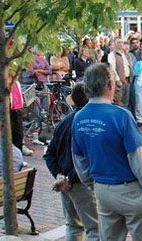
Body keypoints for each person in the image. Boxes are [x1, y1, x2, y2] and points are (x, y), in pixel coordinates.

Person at [72, 63, 142, 240]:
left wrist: (95, 185)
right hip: (130, 190)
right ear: (110, 85)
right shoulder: (120, 115)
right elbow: (138, 161)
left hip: (103, 190)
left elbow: (80, 162)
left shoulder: (78, 117)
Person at [44, 83, 100, 241]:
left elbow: (49, 155)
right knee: (95, 228)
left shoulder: (64, 122)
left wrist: (59, 177)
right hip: (81, 183)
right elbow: (90, 158)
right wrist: (67, 178)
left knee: (73, 226)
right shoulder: (90, 123)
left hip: (66, 183)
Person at [108, 38, 131, 107]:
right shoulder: (112, 55)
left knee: (126, 102)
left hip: (127, 80)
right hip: (119, 82)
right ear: (114, 44)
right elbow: (112, 69)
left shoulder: (125, 54)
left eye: (122, 42)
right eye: (118, 42)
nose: (121, 44)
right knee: (118, 101)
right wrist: (117, 80)